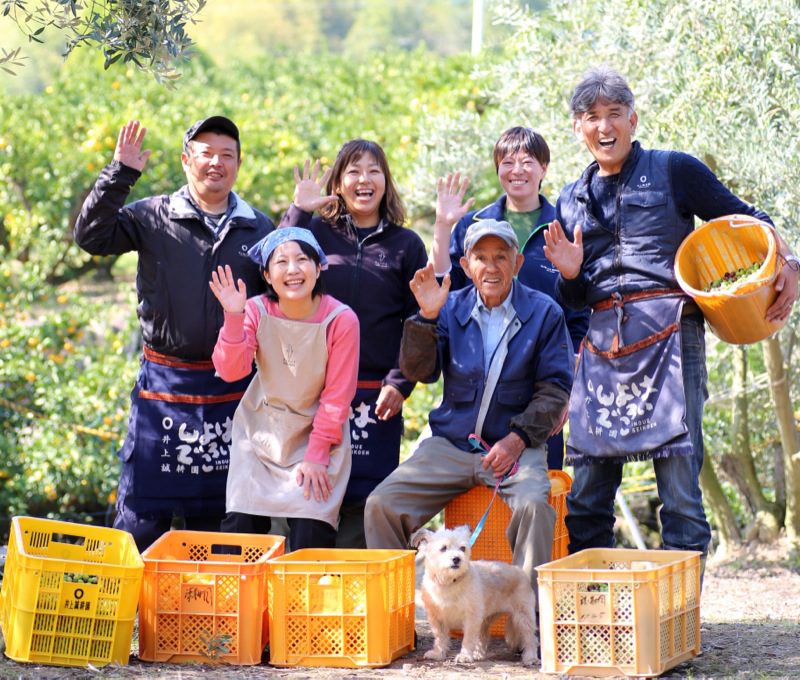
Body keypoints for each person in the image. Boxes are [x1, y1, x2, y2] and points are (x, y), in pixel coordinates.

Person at [543, 66, 800, 560]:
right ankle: (601, 617)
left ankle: (680, 628)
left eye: (614, 114)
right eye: (592, 117)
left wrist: (788, 262)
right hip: (602, 349)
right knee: (587, 499)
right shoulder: (570, 199)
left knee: (680, 494)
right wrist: (571, 275)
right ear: (577, 128)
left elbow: (747, 218)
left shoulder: (674, 170)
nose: (603, 126)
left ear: (632, 119)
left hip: (672, 338)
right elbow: (573, 301)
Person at [74, 117, 274, 551]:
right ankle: (131, 614)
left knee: (222, 523)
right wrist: (120, 174)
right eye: (206, 154)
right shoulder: (153, 216)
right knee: (143, 518)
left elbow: (282, 299)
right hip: (164, 384)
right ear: (186, 161)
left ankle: (213, 617)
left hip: (232, 390)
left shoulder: (258, 228)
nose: (216, 163)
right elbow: (91, 236)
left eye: (227, 155)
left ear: (239, 164)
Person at [365, 217, 574, 594]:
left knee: (534, 507)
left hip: (514, 447)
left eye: (500, 257)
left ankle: (525, 624)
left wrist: (517, 439)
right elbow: (421, 371)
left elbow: (555, 388)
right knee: (381, 504)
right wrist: (426, 318)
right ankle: (392, 614)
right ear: (465, 265)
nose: (491, 267)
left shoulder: (545, 313)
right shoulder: (449, 307)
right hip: (450, 444)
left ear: (518, 262)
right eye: (480, 257)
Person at [279, 142, 429, 548]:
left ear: (386, 181)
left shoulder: (406, 245)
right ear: (339, 183)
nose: (364, 180)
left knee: (367, 503)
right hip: (314, 390)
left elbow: (419, 320)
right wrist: (299, 211)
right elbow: (273, 270)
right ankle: (307, 595)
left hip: (377, 394)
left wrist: (401, 382)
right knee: (311, 493)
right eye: (354, 171)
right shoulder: (315, 234)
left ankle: (362, 604)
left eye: (374, 170)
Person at [430, 127, 589, 469]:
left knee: (539, 488)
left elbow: (579, 315)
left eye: (527, 161)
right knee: (471, 491)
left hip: (545, 380)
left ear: (544, 168)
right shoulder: (474, 225)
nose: (517, 169)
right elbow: (446, 290)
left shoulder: (562, 226)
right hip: (477, 375)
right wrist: (442, 227)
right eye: (507, 161)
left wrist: (567, 391)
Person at [210, 228, 359, 549]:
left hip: (319, 438)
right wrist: (233, 316)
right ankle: (239, 600)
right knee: (240, 530)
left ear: (319, 267)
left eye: (302, 260)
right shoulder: (254, 310)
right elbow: (230, 370)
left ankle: (302, 601)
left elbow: (337, 396)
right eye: (281, 262)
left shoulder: (341, 319)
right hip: (260, 435)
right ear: (266, 274)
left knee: (311, 533)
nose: (293, 270)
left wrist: (317, 455)